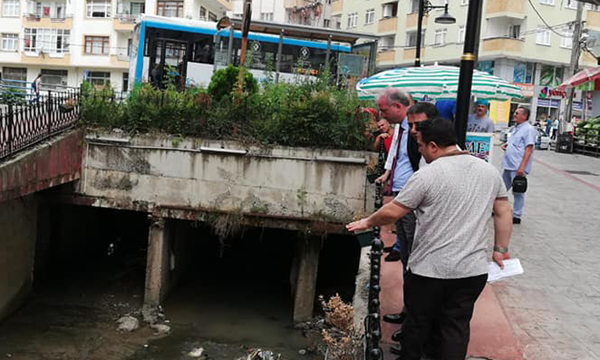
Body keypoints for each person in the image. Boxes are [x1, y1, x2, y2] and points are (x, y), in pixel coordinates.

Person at [347, 117, 513, 360]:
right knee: (455, 327)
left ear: (434, 146)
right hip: (471, 272)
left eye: (422, 146)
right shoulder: (488, 171)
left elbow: (395, 210)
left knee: (417, 326)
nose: (421, 152)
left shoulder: (428, 175)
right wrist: (500, 249)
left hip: (430, 271)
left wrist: (367, 221)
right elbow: (503, 210)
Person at [382, 101, 439, 343]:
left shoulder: (438, 152)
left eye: (419, 125)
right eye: (412, 124)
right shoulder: (409, 137)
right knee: (407, 262)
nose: (414, 129)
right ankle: (409, 316)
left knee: (418, 269)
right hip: (405, 201)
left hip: (419, 211)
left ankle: (416, 332)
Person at [374, 88, 419, 266]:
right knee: (401, 232)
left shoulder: (416, 129)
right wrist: (387, 173)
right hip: (399, 186)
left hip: (410, 189)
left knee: (410, 234)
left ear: (398, 106)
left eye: (384, 110)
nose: (382, 115)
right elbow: (395, 154)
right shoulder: (401, 128)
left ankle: (411, 272)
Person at [501, 106, 536, 224]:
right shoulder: (516, 128)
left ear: (524, 116)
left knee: (518, 190)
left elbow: (528, 149)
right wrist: (507, 145)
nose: (514, 115)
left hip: (517, 166)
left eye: (517, 113)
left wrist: (522, 167)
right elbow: (516, 144)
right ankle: (495, 209)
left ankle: (517, 215)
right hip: (508, 164)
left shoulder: (528, 129)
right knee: (500, 188)